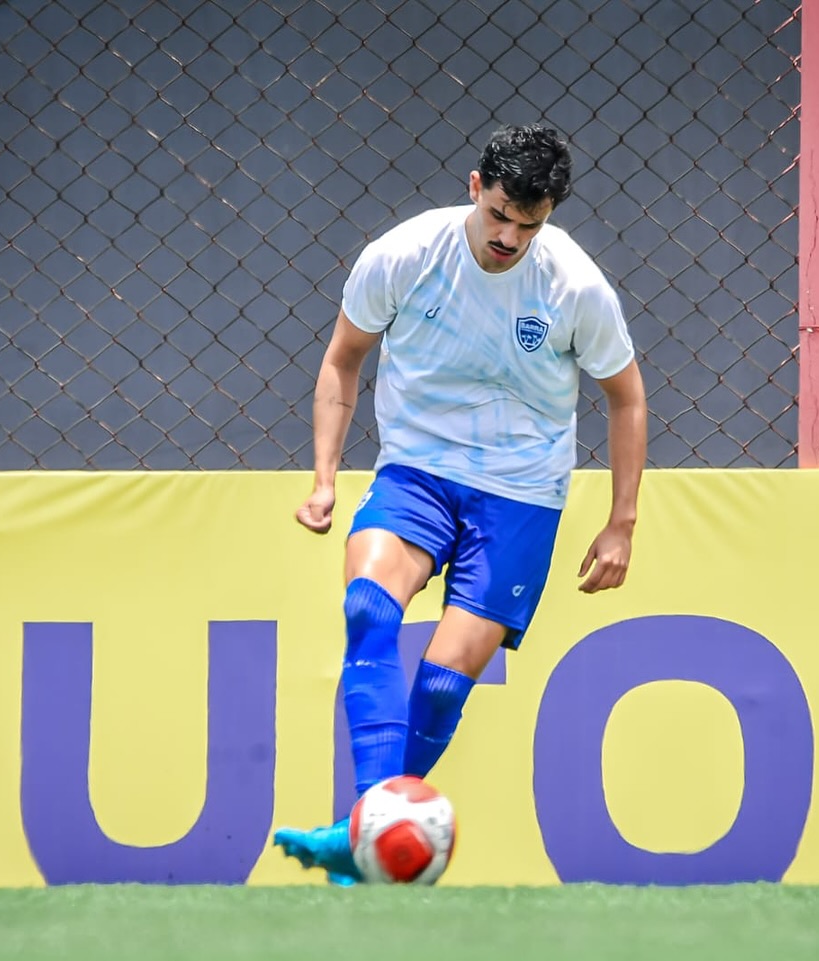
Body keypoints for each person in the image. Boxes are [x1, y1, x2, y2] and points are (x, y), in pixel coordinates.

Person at [272, 123, 648, 884]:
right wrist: (323, 476)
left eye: (529, 224)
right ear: (476, 188)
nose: (509, 237)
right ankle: (374, 825)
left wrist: (621, 522)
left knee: (443, 681)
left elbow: (627, 399)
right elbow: (343, 359)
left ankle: (359, 838)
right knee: (369, 611)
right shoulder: (403, 255)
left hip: (520, 492)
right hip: (416, 469)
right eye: (501, 214)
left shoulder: (575, 287)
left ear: (550, 216)